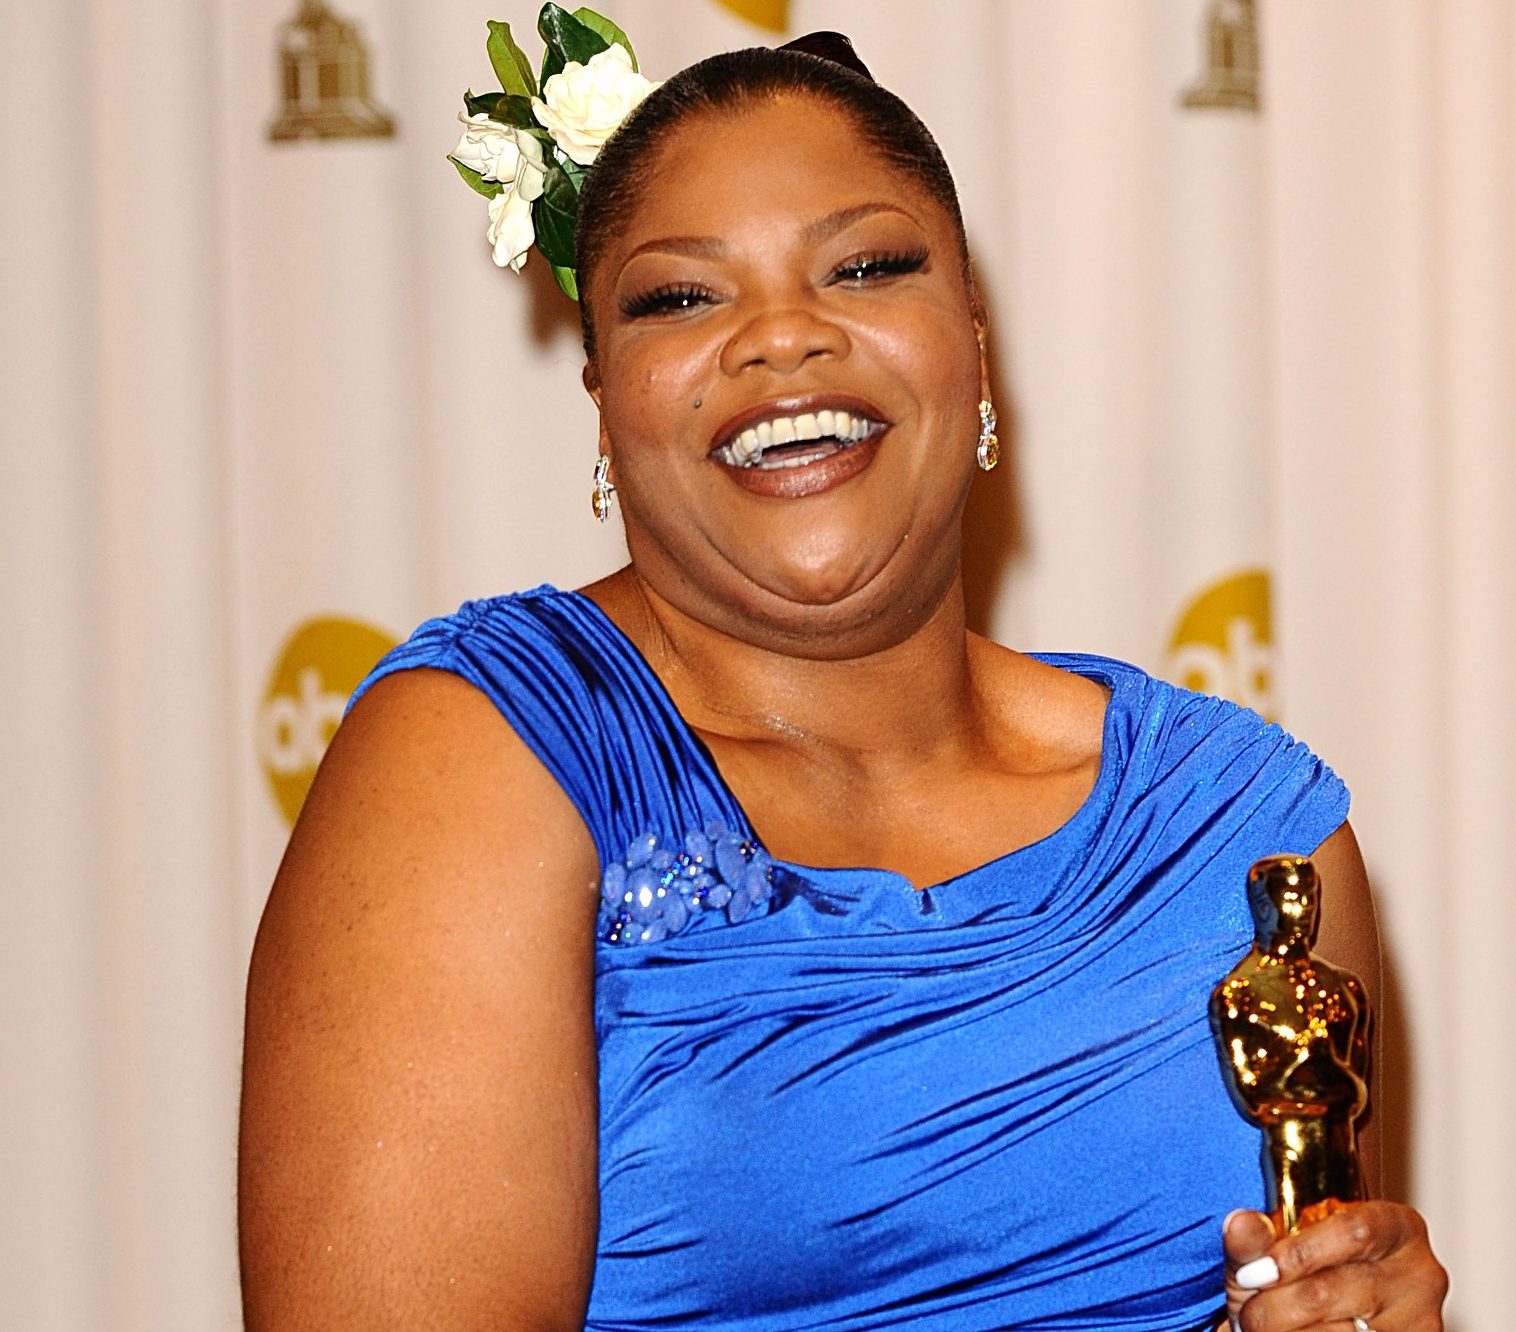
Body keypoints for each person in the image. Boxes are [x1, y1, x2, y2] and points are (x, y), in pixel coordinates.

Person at [238, 28, 1448, 1332]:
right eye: (681, 298)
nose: (782, 339)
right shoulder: (494, 758)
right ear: (602, 399)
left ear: (974, 349)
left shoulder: (1243, 828)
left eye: (863, 268)